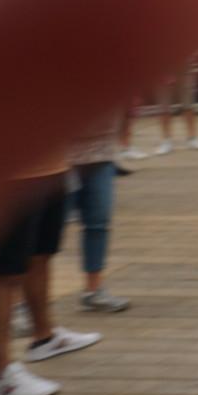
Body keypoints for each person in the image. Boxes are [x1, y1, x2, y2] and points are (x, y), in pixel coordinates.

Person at [0, 161, 102, 395]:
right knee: (6, 271)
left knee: (42, 253)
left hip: (52, 168)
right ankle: (2, 374)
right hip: (14, 174)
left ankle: (44, 337)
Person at [67, 114, 132, 312]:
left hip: (102, 152)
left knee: (99, 222)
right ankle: (23, 305)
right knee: (46, 237)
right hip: (61, 158)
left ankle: (93, 290)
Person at [153, 59, 198, 155]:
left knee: (189, 104)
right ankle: (166, 141)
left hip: (185, 66)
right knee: (164, 106)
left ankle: (192, 138)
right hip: (161, 67)